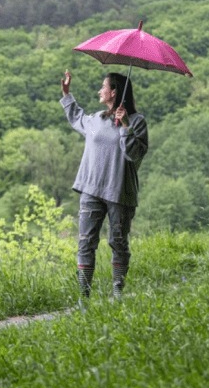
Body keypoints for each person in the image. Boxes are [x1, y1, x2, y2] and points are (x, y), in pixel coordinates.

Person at [59, 70, 148, 304]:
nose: (100, 90)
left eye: (103, 86)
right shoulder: (97, 118)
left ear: (114, 92)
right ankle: (83, 298)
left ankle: (118, 291)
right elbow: (77, 118)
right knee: (86, 242)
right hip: (91, 190)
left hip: (119, 191)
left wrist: (125, 126)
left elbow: (135, 154)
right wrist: (67, 95)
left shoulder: (137, 121)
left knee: (118, 241)